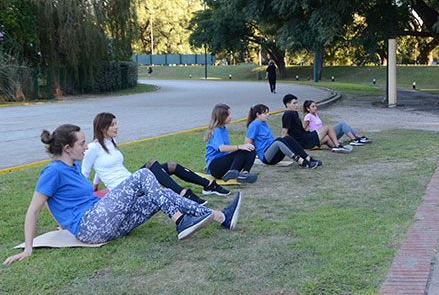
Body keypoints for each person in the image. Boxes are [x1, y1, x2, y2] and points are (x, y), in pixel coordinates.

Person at [3, 124, 242, 265]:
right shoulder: (52, 172)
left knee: (154, 196)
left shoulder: (74, 166)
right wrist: (28, 249)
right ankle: (180, 221)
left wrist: (63, 223)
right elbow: (34, 209)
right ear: (67, 148)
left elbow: (56, 203)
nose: (87, 147)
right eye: (82, 143)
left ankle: (221, 217)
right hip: (92, 226)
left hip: (107, 222)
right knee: (143, 175)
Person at [82, 113, 230, 206]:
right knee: (151, 164)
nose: (117, 127)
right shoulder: (92, 148)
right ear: (102, 128)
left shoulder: (110, 143)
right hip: (122, 190)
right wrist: (89, 197)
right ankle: (183, 193)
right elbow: (84, 174)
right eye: (112, 125)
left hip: (130, 180)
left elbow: (100, 169)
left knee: (172, 166)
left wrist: (96, 187)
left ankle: (209, 185)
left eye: (116, 123)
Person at [246, 104, 322, 168]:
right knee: (279, 141)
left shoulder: (263, 123)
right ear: (257, 114)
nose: (267, 115)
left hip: (275, 154)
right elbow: (247, 142)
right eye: (265, 113)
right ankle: (300, 161)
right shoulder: (254, 125)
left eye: (267, 113)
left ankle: (307, 158)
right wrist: (254, 155)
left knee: (287, 138)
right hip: (267, 157)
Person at [205, 104, 258, 183]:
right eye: (228, 115)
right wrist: (240, 146)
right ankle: (232, 172)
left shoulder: (223, 128)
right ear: (221, 116)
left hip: (223, 165)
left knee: (251, 148)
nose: (230, 117)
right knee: (242, 150)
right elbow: (222, 148)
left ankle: (245, 174)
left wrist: (244, 147)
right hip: (216, 167)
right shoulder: (216, 130)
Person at [281, 94, 351, 153]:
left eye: (297, 103)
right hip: (303, 140)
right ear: (287, 105)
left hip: (305, 137)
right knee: (328, 127)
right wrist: (283, 145)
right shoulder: (287, 114)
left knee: (327, 138)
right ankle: (337, 146)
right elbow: (285, 131)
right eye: (294, 103)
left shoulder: (294, 113)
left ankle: (337, 147)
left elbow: (299, 129)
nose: (297, 105)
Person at [302, 100, 371, 146]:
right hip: (319, 136)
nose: (315, 108)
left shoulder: (315, 115)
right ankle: (355, 139)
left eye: (315, 106)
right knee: (341, 124)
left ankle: (358, 138)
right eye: (313, 106)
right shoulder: (308, 116)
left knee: (343, 127)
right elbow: (303, 129)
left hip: (326, 134)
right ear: (308, 109)